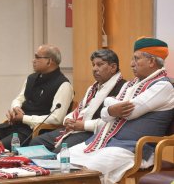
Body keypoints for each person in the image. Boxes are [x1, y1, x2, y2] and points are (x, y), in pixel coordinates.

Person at [66, 37, 174, 184]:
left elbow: (129, 113)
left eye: (136, 59)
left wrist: (110, 105)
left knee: (89, 170)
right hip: (106, 141)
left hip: (134, 148)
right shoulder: (130, 85)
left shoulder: (163, 87)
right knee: (65, 158)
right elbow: (105, 114)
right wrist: (111, 107)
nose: (131, 64)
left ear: (151, 61)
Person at [29, 49, 126, 153]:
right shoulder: (93, 87)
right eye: (93, 65)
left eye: (99, 65)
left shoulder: (123, 88)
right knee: (36, 142)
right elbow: (79, 110)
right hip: (76, 128)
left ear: (113, 67)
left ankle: (47, 168)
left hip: (94, 132)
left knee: (60, 152)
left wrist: (83, 125)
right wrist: (68, 119)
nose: (94, 69)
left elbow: (114, 123)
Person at [0, 44, 74, 150]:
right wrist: (16, 108)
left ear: (49, 61)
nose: (33, 60)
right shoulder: (31, 78)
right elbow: (19, 98)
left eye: (37, 57)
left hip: (32, 131)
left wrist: (24, 118)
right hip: (14, 125)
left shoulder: (63, 85)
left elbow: (56, 119)